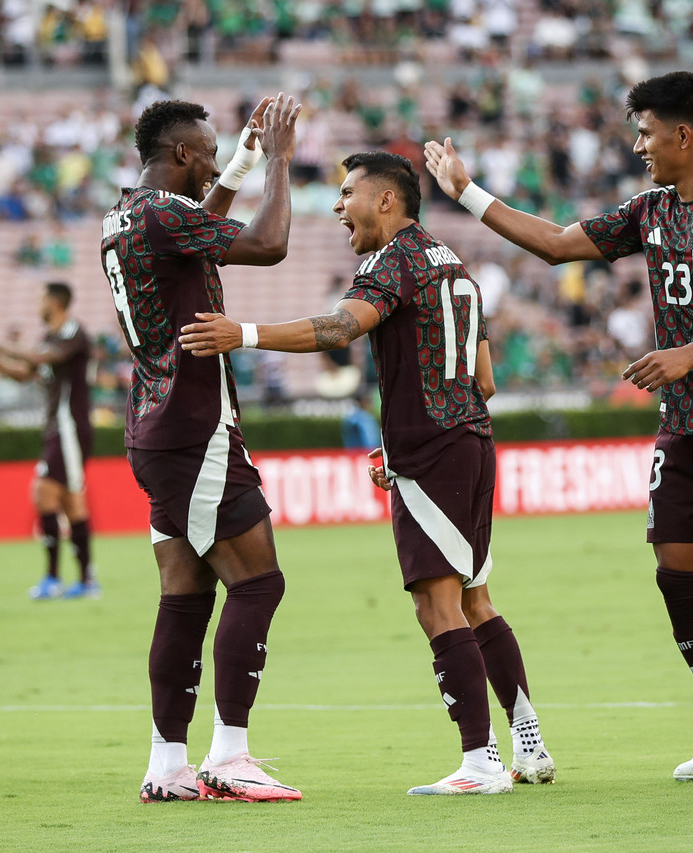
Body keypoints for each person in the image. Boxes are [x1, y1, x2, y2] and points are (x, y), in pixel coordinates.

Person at [423, 70, 693, 787]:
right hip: (683, 420)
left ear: (683, 133)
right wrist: (467, 192)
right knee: (676, 572)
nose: (638, 146)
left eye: (646, 132)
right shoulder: (649, 209)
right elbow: (559, 244)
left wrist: (686, 353)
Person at [178, 151, 556, 796]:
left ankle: (480, 762)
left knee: (436, 605)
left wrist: (241, 333)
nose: (337, 206)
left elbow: (338, 329)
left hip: (435, 452)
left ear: (386, 200)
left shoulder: (393, 262)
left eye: (348, 192)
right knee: (474, 599)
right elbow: (485, 380)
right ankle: (529, 741)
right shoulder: (454, 266)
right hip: (470, 443)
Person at [100, 95, 304, 803]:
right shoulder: (162, 212)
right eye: (210, 153)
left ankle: (166, 764)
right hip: (196, 427)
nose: (216, 164)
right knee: (258, 581)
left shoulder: (125, 215)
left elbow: (202, 223)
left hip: (153, 427)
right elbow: (268, 244)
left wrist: (243, 159)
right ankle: (231, 753)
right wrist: (277, 158)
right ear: (181, 154)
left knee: (185, 596)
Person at [0, 281, 98, 601]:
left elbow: (40, 359)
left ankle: (54, 579)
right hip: (58, 428)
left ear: (55, 302)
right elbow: (23, 374)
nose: (37, 304)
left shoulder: (73, 332)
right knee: (70, 501)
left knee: (43, 493)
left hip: (70, 426)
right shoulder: (49, 339)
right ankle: (86, 579)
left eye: (41, 298)